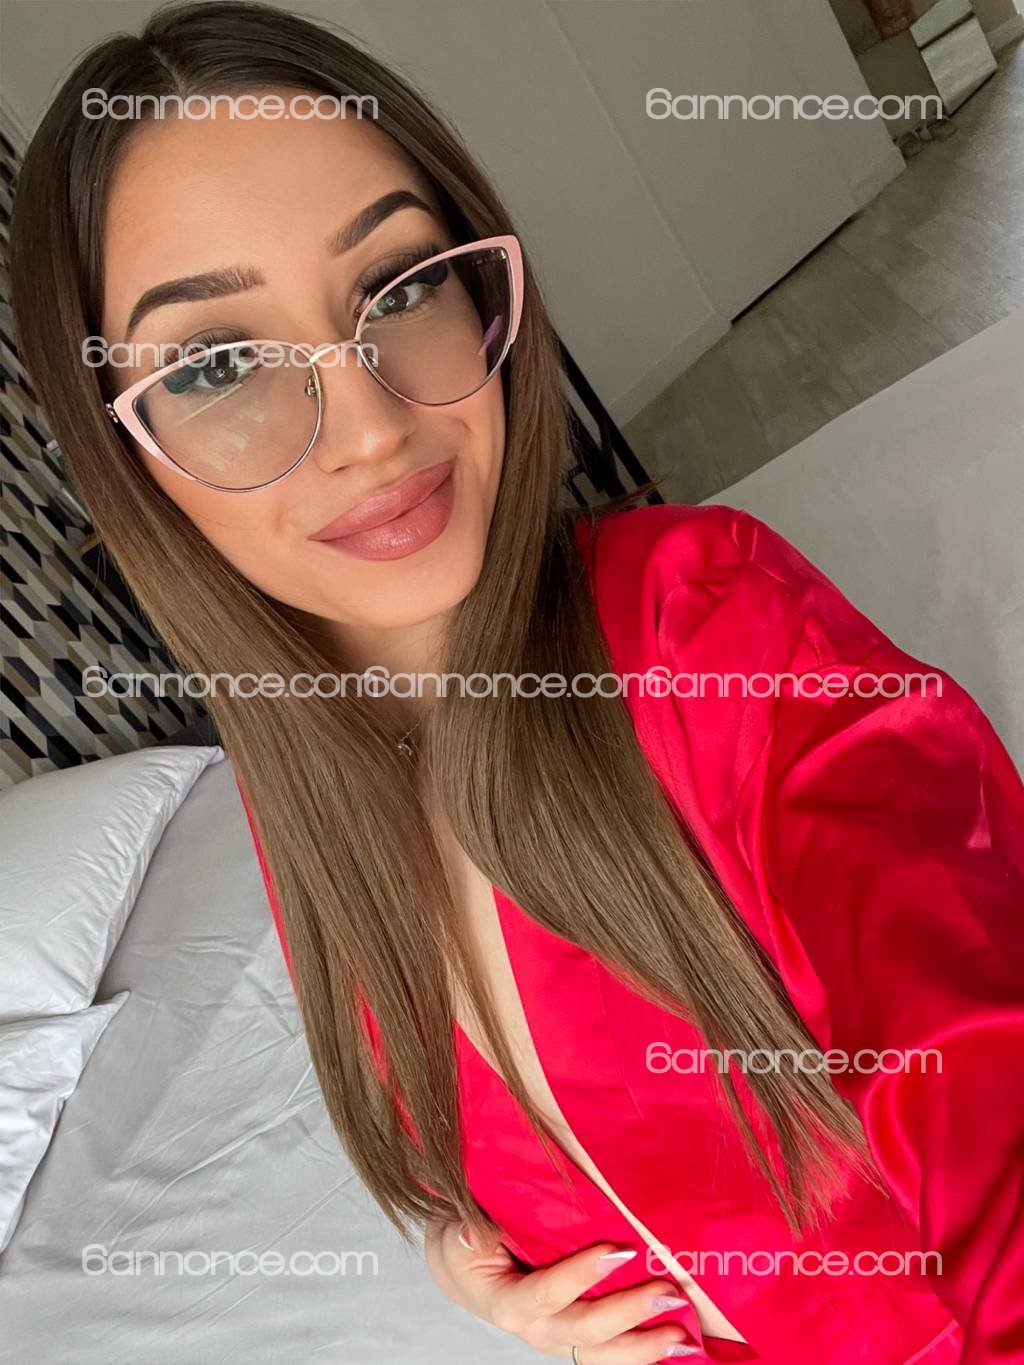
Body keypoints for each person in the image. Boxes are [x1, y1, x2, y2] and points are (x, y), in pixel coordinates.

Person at [10, 4, 1024, 1362]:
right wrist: (476, 1258)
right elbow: (499, 1135)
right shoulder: (303, 798)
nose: (371, 425)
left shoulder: (707, 625)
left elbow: (980, 1075)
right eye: (220, 365)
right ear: (130, 466)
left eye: (398, 288)